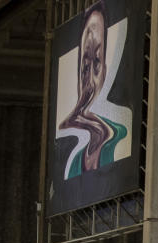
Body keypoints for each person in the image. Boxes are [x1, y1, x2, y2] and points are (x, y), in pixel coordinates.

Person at [58, 0, 128, 179]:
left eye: (96, 62)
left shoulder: (120, 133)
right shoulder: (73, 161)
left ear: (105, 70)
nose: (88, 81)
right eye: (84, 67)